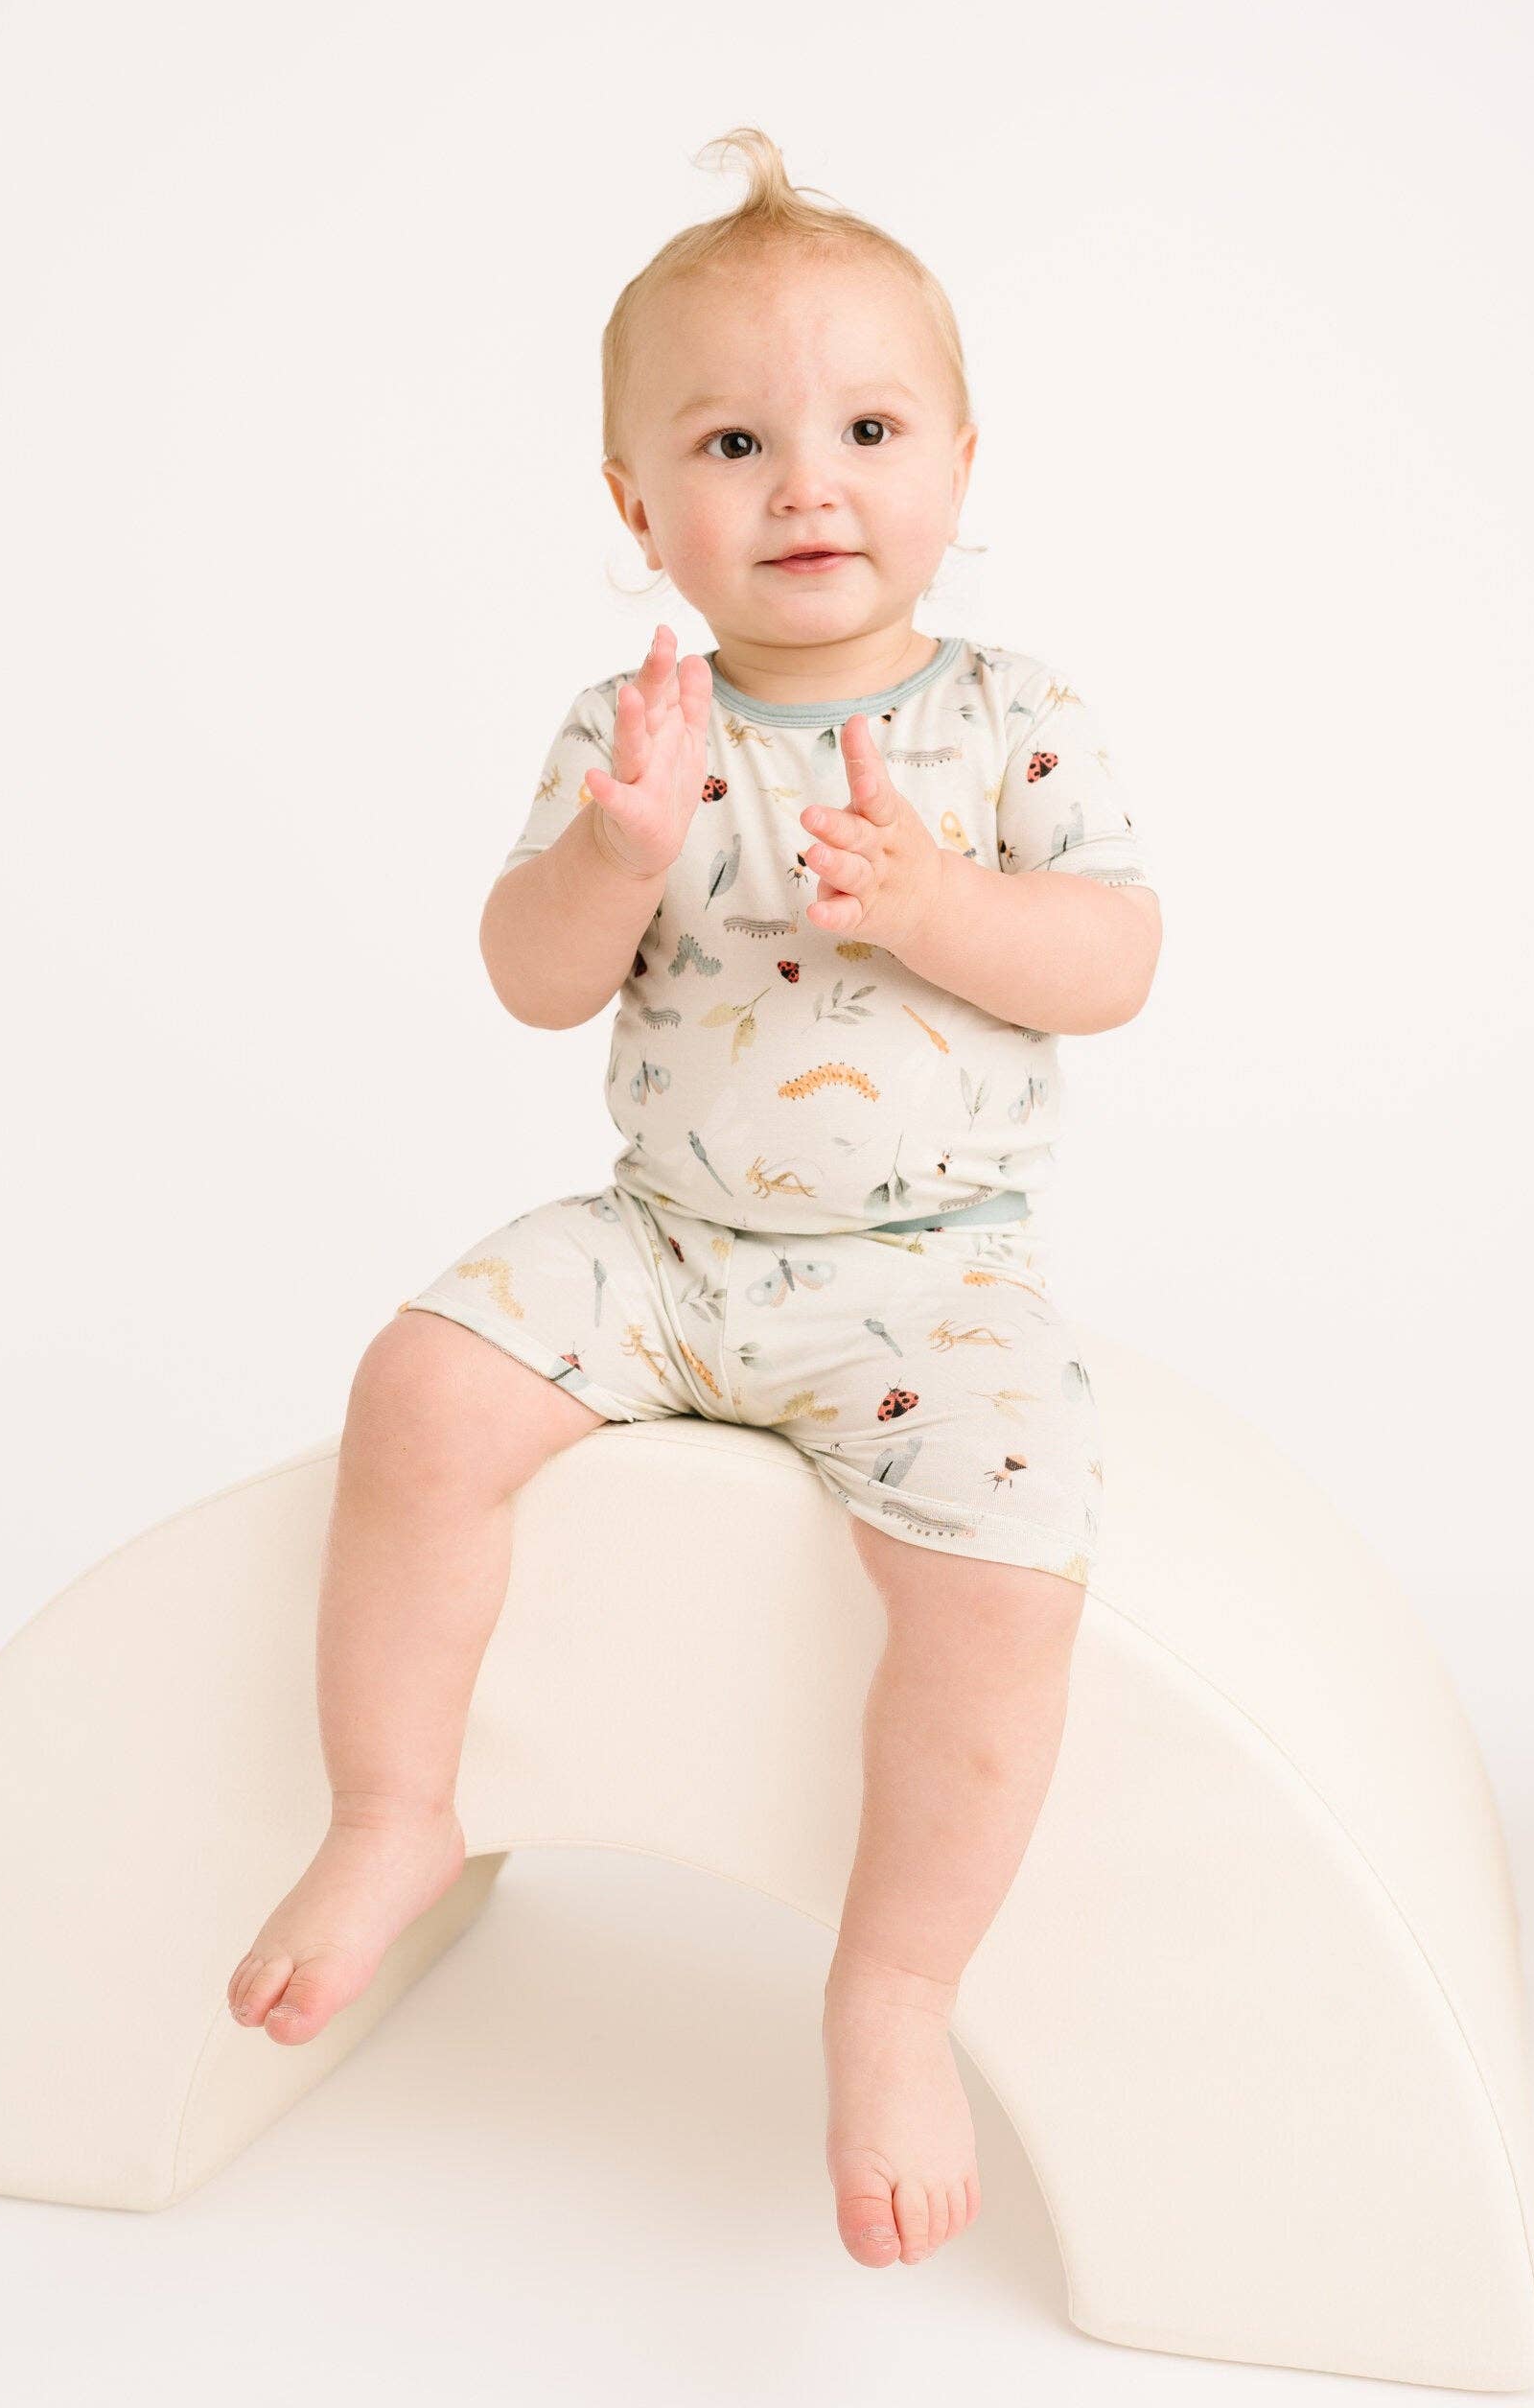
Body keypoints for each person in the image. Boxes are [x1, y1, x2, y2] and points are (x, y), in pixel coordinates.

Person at [226, 126, 1163, 2272]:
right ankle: (394, 1808)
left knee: (1013, 1567)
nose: (808, 484)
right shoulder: (632, 725)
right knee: (424, 1383)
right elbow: (532, 979)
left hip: (932, 1279)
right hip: (664, 1242)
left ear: (960, 459)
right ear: (640, 508)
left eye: (865, 428)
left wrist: (939, 907)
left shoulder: (1013, 724)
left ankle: (896, 1983)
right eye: (736, 441)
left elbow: (1113, 963)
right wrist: (613, 854)